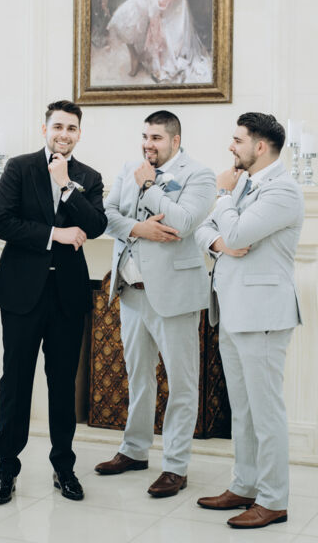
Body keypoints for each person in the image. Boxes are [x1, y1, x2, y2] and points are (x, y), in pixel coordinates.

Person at [0, 100, 107, 505]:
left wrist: (66, 186)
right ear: (45, 129)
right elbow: (3, 222)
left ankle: (64, 467)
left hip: (68, 296)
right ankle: (6, 468)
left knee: (62, 383)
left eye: (71, 128)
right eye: (58, 126)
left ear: (79, 133)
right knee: (16, 382)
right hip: (21, 293)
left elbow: (96, 225)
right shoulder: (19, 168)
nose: (64, 134)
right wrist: (56, 235)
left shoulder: (88, 177)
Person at [95, 110, 215, 498]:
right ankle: (134, 450)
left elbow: (184, 223)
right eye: (145, 137)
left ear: (175, 141)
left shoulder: (200, 175)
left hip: (175, 295)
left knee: (182, 383)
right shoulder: (128, 168)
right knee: (138, 376)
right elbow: (106, 215)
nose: (148, 145)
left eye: (157, 138)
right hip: (131, 292)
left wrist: (149, 187)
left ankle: (175, 465)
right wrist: (138, 228)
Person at [195, 112, 304, 529]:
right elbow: (207, 230)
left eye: (237, 140)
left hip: (263, 315)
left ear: (260, 147)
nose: (231, 146)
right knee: (241, 409)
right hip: (233, 310)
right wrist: (222, 241)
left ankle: (273, 500)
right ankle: (244, 485)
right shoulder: (245, 184)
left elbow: (238, 233)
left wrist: (224, 197)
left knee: (266, 411)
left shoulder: (284, 191)